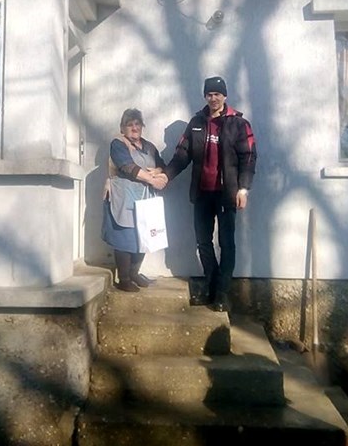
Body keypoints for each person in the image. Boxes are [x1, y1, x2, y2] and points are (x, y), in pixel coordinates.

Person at [165, 76, 256, 312]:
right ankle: (212, 286)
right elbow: (182, 154)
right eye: (209, 94)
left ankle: (222, 293)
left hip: (227, 194)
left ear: (225, 96)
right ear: (205, 96)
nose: (213, 98)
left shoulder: (239, 124)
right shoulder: (196, 122)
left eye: (217, 94)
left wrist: (243, 189)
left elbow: (248, 158)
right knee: (203, 242)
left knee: (226, 244)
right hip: (202, 194)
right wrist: (166, 175)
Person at [102, 108, 168, 292]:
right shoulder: (118, 143)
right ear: (122, 128)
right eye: (129, 124)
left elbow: (162, 165)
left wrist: (158, 172)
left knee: (144, 235)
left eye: (137, 124)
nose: (134, 128)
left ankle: (134, 273)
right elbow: (127, 166)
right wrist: (152, 180)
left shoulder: (149, 147)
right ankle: (123, 278)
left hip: (145, 198)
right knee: (124, 237)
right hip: (123, 197)